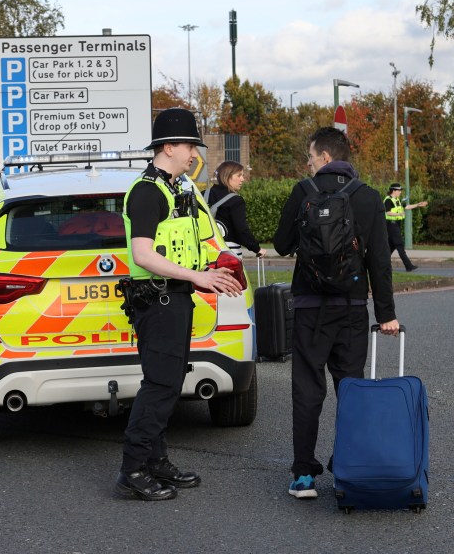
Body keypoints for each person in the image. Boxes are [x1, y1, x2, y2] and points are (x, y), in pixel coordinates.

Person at [115, 108, 243, 501]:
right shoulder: (147, 191)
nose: (193, 154)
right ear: (168, 147)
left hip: (175, 298)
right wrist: (198, 278)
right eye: (189, 146)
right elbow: (142, 254)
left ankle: (156, 460)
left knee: (167, 384)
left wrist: (213, 269)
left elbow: (183, 248)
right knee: (160, 386)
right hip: (159, 300)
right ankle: (133, 470)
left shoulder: (176, 189)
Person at [273, 126, 400, 500]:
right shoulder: (367, 196)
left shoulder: (303, 192)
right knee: (352, 389)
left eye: (310, 156)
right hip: (351, 311)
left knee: (307, 388)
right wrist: (386, 314)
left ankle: (303, 476)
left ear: (325, 157)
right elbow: (380, 260)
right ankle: (351, 467)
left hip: (310, 309)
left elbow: (281, 245)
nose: (308, 163)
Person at [205, 160, 266, 258]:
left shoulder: (202, 194)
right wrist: (257, 248)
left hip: (203, 251)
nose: (242, 179)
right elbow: (241, 230)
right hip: (228, 253)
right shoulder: (235, 200)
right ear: (227, 176)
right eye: (239, 175)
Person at [384, 183, 427, 272]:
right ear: (394, 191)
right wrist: (399, 214)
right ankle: (408, 266)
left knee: (390, 247)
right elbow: (387, 212)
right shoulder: (388, 200)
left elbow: (406, 207)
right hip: (391, 225)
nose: (400, 192)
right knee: (399, 245)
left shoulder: (397, 200)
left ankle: (382, 265)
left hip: (396, 225)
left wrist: (418, 204)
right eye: (399, 190)